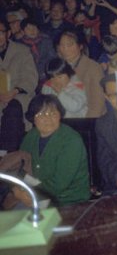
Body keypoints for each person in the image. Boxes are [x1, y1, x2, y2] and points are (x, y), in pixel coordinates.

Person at [19, 94, 90, 206]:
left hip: (67, 200)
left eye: (53, 113)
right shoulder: (31, 137)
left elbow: (59, 184)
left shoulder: (71, 140)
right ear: (33, 118)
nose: (48, 118)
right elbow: (20, 168)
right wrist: (18, 190)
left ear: (60, 115)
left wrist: (31, 194)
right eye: (42, 114)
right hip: (36, 195)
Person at [0, 20, 38, 151]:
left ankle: (11, 156)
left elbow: (31, 79)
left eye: (1, 33)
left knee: (14, 109)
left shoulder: (22, 51)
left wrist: (14, 91)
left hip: (18, 95)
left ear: (8, 33)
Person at [56, 30, 106, 118]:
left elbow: (97, 104)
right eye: (62, 45)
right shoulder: (57, 67)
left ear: (80, 46)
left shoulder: (93, 67)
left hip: (86, 119)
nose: (65, 49)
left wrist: (87, 123)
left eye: (69, 45)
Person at [19, 18, 57, 85]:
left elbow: (52, 58)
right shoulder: (19, 45)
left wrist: (43, 73)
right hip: (27, 76)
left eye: (34, 28)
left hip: (45, 74)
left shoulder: (46, 40)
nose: (32, 31)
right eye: (28, 29)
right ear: (22, 32)